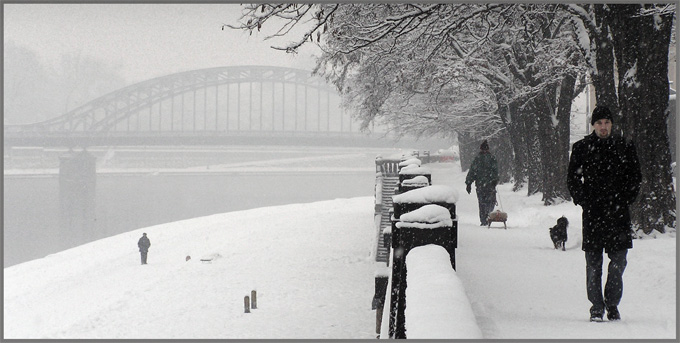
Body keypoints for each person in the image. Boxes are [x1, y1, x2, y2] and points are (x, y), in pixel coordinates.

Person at [567, 105, 642, 322]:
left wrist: (625, 198)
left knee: (618, 262)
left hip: (618, 215)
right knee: (593, 263)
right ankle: (596, 307)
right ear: (593, 125)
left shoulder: (624, 147)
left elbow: (635, 176)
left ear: (612, 124)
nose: (603, 127)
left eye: (607, 123)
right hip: (593, 214)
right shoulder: (582, 148)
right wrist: (583, 200)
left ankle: (612, 304)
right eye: (599, 123)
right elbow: (573, 178)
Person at [465, 140, 499, 226]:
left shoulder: (477, 159)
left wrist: (469, 183)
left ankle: (483, 219)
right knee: (491, 201)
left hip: (480, 185)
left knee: (481, 203)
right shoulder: (492, 158)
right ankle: (488, 215)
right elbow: (495, 171)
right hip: (490, 185)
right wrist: (495, 180)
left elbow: (472, 171)